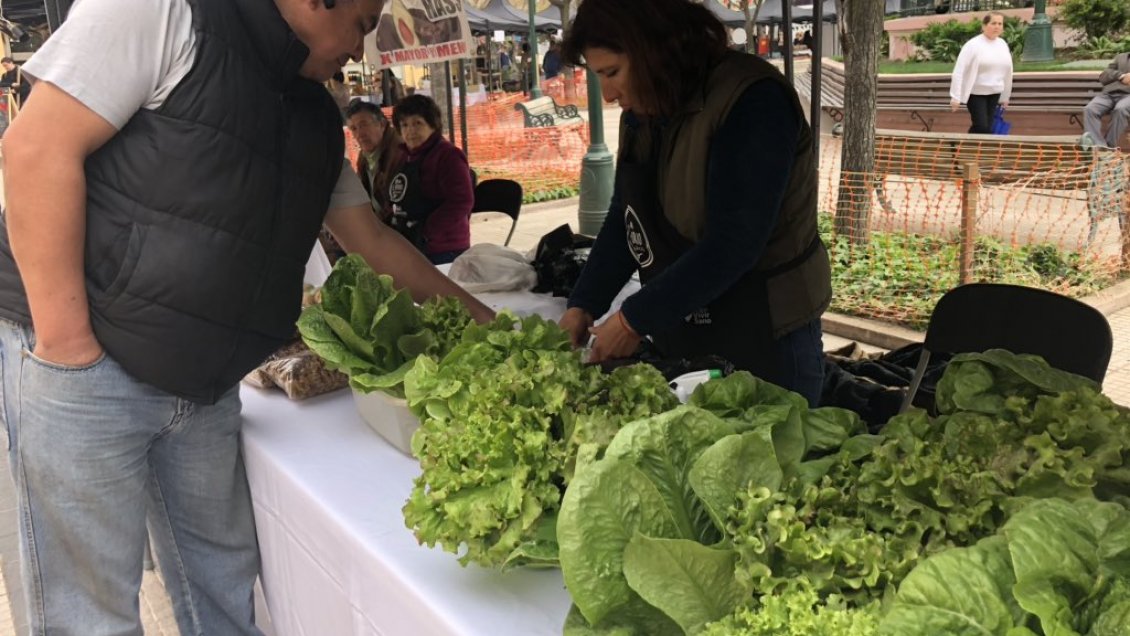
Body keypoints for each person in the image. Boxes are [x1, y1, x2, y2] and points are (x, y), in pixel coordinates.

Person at [0, 0, 493, 634]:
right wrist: (68, 348)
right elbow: (34, 151)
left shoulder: (315, 116)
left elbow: (371, 241)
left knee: (225, 591)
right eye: (362, 24)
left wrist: (486, 320)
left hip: (205, 390)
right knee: (87, 614)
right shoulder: (167, 13)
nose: (360, 47)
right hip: (89, 369)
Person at [557, 0, 831, 406]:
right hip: (685, 325)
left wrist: (633, 321)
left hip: (766, 333)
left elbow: (734, 243)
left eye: (612, 73)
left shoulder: (753, 100)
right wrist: (583, 303)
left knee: (777, 460)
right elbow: (626, 217)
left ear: (655, 49)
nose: (609, 94)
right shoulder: (646, 107)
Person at [387, 94, 473, 265]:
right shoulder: (404, 156)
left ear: (433, 125)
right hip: (410, 244)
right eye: (404, 125)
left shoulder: (448, 156)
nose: (410, 131)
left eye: (417, 123)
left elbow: (461, 201)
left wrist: (426, 231)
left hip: (444, 249)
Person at [949, 12, 1012, 134]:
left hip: (995, 93)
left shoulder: (1002, 44)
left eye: (1000, 24)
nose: (997, 26)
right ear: (984, 26)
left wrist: (1005, 96)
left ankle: (971, 150)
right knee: (982, 126)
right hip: (976, 93)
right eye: (993, 23)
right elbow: (959, 70)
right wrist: (955, 97)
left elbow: (1008, 71)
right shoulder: (973, 45)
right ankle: (966, 147)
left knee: (987, 127)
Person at [345, 99, 404, 221]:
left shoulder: (399, 152)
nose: (359, 134)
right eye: (354, 128)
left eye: (363, 125)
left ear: (381, 124)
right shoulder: (365, 156)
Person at [1083, 52, 1130, 148]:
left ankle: (1109, 147)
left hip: (1128, 96)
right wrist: (1121, 76)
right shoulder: (1121, 57)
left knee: (1121, 109)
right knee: (1090, 109)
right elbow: (1104, 76)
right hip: (1108, 94)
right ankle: (1098, 146)